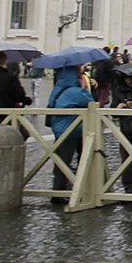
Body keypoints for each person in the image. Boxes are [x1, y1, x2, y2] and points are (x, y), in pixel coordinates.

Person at [46, 65, 94, 194]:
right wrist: (88, 88)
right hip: (72, 130)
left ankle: (57, 191)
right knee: (73, 160)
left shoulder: (57, 89)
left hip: (59, 129)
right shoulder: (75, 91)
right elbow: (91, 102)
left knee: (60, 162)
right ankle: (81, 190)